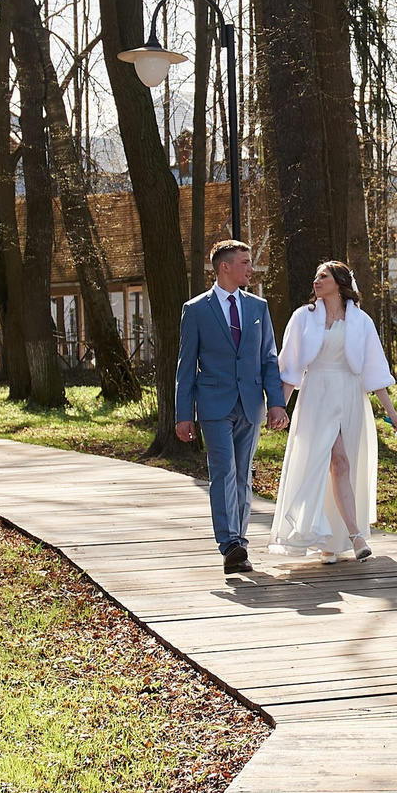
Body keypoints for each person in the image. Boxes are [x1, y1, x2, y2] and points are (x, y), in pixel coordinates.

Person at [270, 260, 397, 563]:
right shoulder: (303, 318)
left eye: (324, 276)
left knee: (342, 465)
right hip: (316, 394)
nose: (316, 281)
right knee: (327, 462)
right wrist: (279, 408)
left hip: (350, 395)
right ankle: (355, 536)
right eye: (315, 276)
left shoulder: (361, 322)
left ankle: (332, 540)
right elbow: (290, 367)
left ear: (340, 284)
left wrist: (391, 412)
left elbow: (375, 371)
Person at [173, 240, 286, 575]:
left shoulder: (258, 308)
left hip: (250, 404)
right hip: (213, 404)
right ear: (225, 267)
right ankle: (229, 544)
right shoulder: (195, 310)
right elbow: (186, 364)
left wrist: (277, 403)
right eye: (245, 262)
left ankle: (239, 542)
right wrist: (183, 414)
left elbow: (269, 359)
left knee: (242, 474)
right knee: (223, 471)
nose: (251, 268)